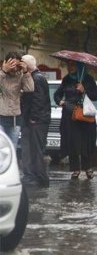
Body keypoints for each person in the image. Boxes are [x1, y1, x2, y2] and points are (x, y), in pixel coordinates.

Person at [54, 61, 97, 180]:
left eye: (72, 65)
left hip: (84, 116)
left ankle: (88, 168)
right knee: (73, 143)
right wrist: (61, 101)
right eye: (69, 65)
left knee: (86, 143)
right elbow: (57, 95)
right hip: (70, 116)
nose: (69, 67)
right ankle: (75, 169)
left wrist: (84, 90)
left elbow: (96, 96)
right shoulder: (66, 79)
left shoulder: (88, 79)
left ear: (79, 67)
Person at [20, 55, 51, 187]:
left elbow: (38, 100)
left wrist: (33, 118)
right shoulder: (37, 77)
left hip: (36, 120)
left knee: (36, 149)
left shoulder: (36, 78)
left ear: (28, 65)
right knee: (33, 148)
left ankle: (39, 177)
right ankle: (35, 176)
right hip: (36, 119)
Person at [0, 51, 34, 149]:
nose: (14, 68)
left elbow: (30, 89)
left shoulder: (21, 75)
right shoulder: (2, 74)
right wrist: (4, 71)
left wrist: (26, 72)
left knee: (12, 147)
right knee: (1, 148)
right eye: (12, 64)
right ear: (6, 62)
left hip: (15, 117)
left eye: (17, 64)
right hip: (1, 116)